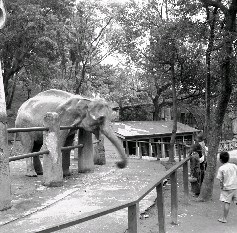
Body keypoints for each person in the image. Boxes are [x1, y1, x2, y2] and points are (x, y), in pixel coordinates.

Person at [216, 151, 237, 223]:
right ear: (228, 158)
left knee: (227, 202)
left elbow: (220, 180)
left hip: (227, 188)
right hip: (235, 186)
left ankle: (224, 218)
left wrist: (221, 187)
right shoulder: (234, 166)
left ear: (220, 160)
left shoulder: (221, 168)